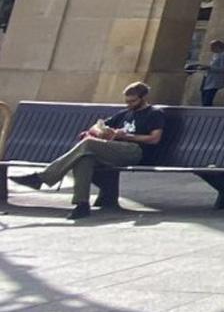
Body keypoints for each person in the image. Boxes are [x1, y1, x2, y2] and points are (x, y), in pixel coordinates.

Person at [9, 82, 164, 220]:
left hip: (135, 151)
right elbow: (95, 126)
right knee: (84, 159)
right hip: (114, 150)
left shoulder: (154, 113)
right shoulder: (124, 113)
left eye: (133, 101)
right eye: (127, 101)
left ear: (143, 98)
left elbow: (154, 138)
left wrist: (127, 136)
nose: (129, 104)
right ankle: (81, 205)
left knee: (88, 144)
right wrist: (103, 131)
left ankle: (43, 177)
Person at [189, 39, 224, 106]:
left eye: (212, 47)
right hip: (208, 78)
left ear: (217, 46)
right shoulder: (215, 55)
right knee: (203, 96)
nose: (211, 49)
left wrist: (209, 67)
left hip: (214, 81)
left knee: (208, 99)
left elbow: (223, 69)